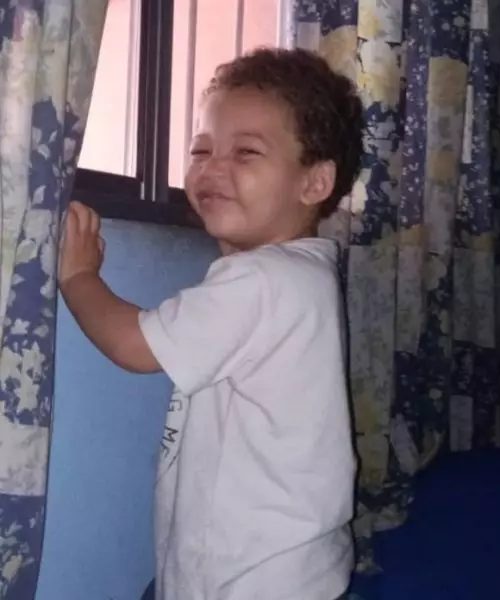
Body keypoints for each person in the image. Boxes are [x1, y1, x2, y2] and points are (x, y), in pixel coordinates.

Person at [59, 47, 365, 600]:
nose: (212, 168)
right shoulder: (302, 275)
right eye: (201, 149)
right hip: (294, 571)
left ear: (315, 183)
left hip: (256, 582)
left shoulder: (265, 279)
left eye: (246, 152)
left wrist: (79, 276)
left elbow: (134, 345)